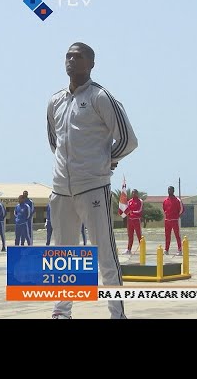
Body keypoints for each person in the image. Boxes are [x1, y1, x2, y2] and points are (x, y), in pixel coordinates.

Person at [47, 41, 138, 319]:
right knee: (63, 256)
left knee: (105, 255)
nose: (71, 60)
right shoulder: (55, 101)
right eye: (68, 56)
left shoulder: (101, 97)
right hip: (61, 190)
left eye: (78, 56)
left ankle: (117, 313)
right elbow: (55, 142)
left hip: (93, 188)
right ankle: (62, 312)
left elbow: (128, 140)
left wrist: (105, 161)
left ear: (91, 63)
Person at [162, 186, 184, 256]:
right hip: (167, 220)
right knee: (167, 236)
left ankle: (180, 249)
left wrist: (177, 216)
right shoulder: (165, 201)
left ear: (173, 191)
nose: (169, 191)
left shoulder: (178, 200)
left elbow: (182, 209)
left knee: (177, 235)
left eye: (170, 190)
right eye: (168, 189)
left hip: (175, 220)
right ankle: (166, 249)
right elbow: (164, 209)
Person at [123, 189, 143, 255]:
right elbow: (127, 209)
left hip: (136, 220)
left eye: (135, 192)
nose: (133, 193)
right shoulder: (129, 201)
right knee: (130, 235)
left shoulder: (140, 201)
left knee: (139, 235)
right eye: (132, 192)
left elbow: (139, 210)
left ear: (137, 193)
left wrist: (133, 212)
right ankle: (129, 249)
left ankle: (142, 249)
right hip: (130, 220)